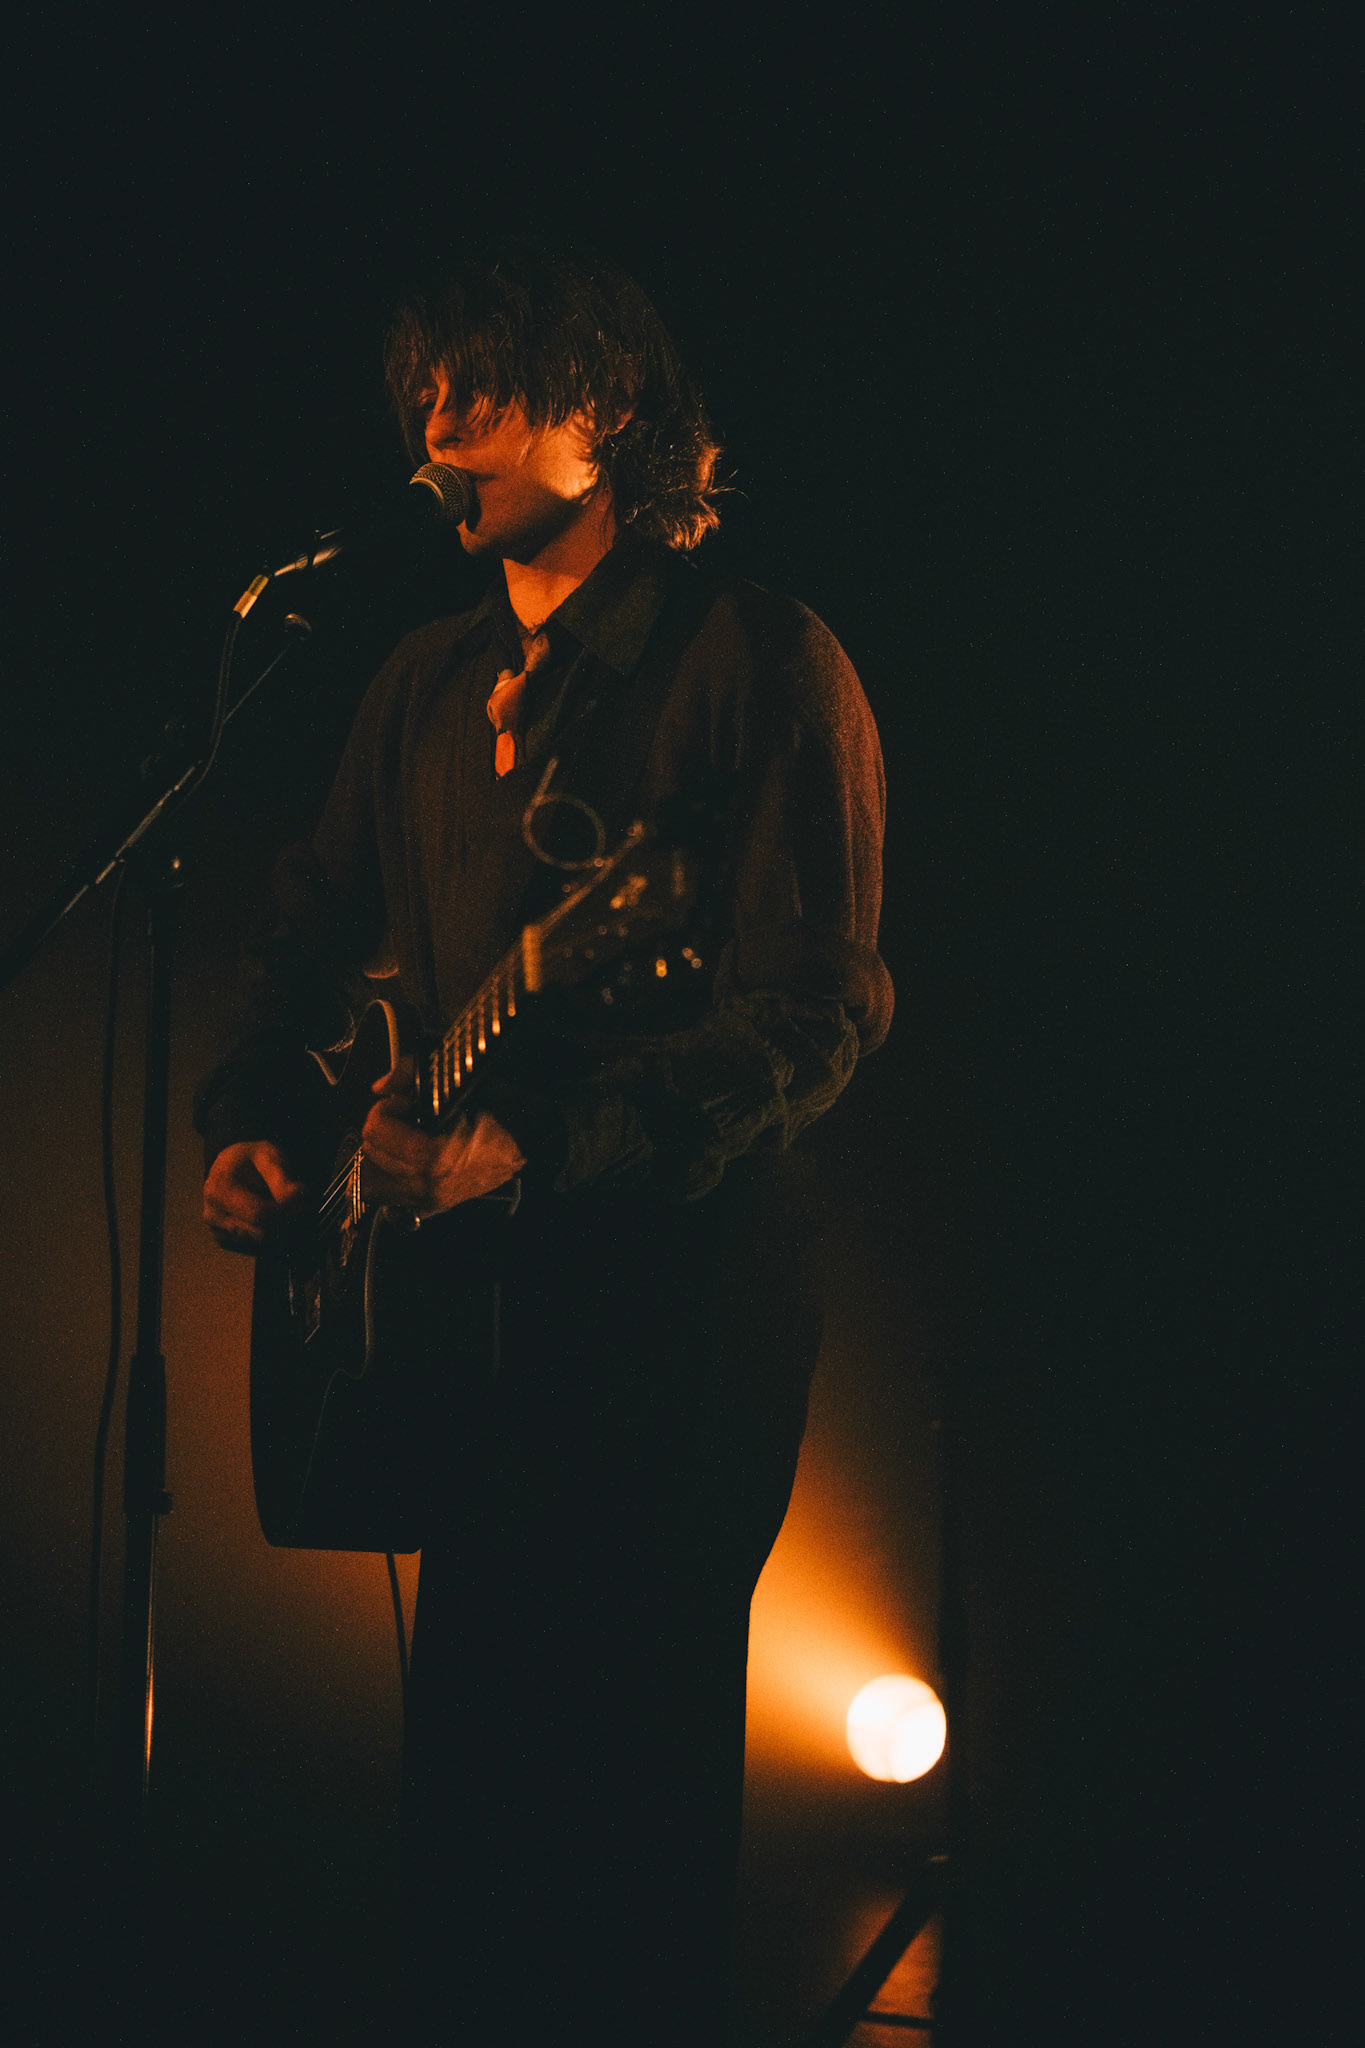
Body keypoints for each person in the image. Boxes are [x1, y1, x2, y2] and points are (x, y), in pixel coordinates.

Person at [196, 238, 892, 2045]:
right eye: (425, 391)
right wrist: (257, 1117)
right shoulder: (421, 685)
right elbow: (304, 930)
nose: (440, 425)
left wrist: (551, 1137)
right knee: (470, 1824)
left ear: (609, 409)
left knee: (624, 1824)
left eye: (487, 387)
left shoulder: (754, 657)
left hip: (672, 1324)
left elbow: (811, 1015)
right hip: (461, 1336)